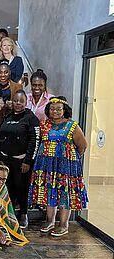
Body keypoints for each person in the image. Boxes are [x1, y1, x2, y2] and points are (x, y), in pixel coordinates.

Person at [29, 96, 88, 236]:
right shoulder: (44, 124)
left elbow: (82, 146)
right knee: (50, 191)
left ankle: (63, 224)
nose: (55, 111)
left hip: (65, 167)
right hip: (47, 166)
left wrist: (70, 160)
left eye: (58, 109)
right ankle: (50, 221)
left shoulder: (72, 125)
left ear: (64, 110)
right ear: (48, 110)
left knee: (65, 193)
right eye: (52, 109)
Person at [0, 90, 40, 228]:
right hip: (6, 160)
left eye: (21, 101)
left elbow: (35, 140)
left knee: (22, 188)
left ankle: (23, 214)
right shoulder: (8, 116)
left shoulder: (30, 117)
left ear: (25, 102)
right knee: (8, 188)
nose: (18, 103)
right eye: (16, 101)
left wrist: (28, 160)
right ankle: (7, 214)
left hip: (22, 162)